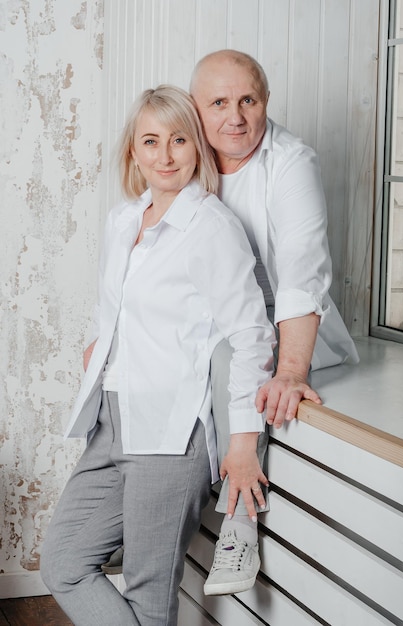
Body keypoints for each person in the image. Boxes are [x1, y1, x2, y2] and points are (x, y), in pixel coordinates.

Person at [40, 85, 275, 625]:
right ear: (133, 151)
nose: (165, 155)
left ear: (196, 148)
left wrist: (243, 441)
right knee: (65, 563)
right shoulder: (124, 221)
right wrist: (106, 347)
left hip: (172, 435)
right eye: (151, 141)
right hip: (112, 422)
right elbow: (117, 310)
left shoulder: (211, 227)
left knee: (148, 595)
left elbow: (251, 336)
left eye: (178, 140)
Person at [188, 49, 359, 596]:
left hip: (290, 331)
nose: (234, 116)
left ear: (266, 102)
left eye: (248, 100)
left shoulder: (291, 162)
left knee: (234, 355)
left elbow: (302, 273)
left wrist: (288, 370)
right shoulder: (190, 156)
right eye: (218, 103)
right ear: (196, 109)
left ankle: (238, 527)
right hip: (226, 322)